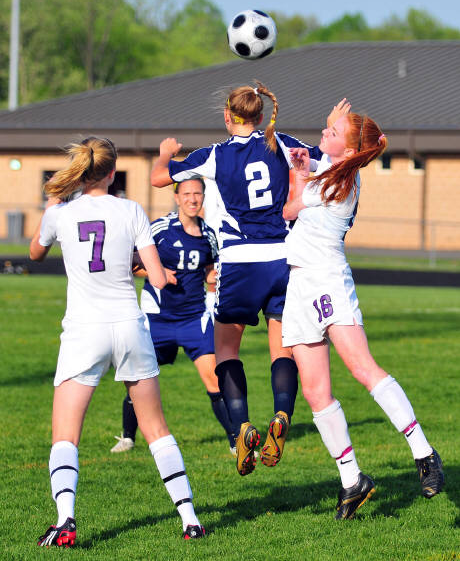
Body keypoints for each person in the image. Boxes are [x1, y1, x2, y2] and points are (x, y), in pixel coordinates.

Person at [148, 82, 347, 476]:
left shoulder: (215, 154)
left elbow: (158, 178)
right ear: (260, 115)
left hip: (240, 262)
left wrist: (165, 154)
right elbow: (326, 159)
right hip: (282, 259)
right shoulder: (281, 142)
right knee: (282, 348)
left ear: (228, 116)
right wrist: (334, 129)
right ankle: (282, 414)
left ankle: (241, 427)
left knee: (226, 350)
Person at [30, 136, 205, 547]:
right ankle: (190, 519)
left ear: (81, 171)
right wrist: (136, 262)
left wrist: (54, 207)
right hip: (129, 325)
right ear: (112, 173)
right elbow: (158, 277)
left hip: (84, 330)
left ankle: (65, 519)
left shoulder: (60, 213)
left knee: (66, 435)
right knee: (156, 428)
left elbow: (35, 253)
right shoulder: (131, 210)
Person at [282, 112, 444, 519]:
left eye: (333, 131)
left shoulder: (338, 182)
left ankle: (424, 453)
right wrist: (313, 156)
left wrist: (298, 171)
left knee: (362, 367)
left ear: (350, 149)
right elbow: (323, 160)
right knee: (315, 392)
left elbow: (289, 210)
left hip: (326, 281)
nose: (324, 132)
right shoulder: (334, 170)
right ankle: (352, 480)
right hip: (299, 284)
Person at [111, 177, 236, 455]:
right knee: (139, 379)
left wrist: (216, 276)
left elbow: (208, 271)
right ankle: (128, 437)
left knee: (214, 379)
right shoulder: (160, 229)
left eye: (197, 194)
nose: (193, 199)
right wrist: (157, 273)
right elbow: (130, 261)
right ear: (177, 198)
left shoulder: (209, 234)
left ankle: (235, 441)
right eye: (187, 194)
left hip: (194, 318)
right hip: (158, 319)